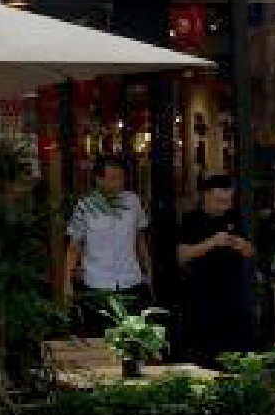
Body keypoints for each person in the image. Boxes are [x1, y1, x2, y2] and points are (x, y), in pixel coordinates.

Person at [63, 155, 154, 333]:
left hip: (131, 280)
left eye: (120, 178)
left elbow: (140, 239)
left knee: (133, 336)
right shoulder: (85, 207)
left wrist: (148, 270)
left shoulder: (133, 202)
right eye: (112, 178)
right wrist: (67, 283)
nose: (117, 183)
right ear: (99, 179)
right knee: (100, 336)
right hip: (97, 284)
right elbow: (74, 246)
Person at [175, 174, 258, 367]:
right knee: (208, 351)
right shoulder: (192, 220)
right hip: (203, 295)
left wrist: (241, 244)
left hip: (234, 293)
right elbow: (181, 256)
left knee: (239, 349)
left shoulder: (234, 217)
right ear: (206, 196)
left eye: (228, 201)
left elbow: (250, 251)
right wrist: (212, 242)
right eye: (219, 201)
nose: (225, 206)